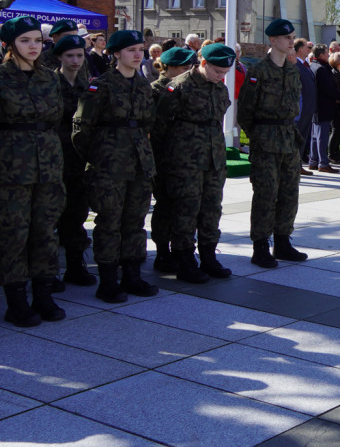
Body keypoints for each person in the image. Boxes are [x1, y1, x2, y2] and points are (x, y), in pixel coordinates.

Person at [73, 29, 159, 303]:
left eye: (141, 49)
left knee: (135, 221)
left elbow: (148, 124)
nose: (137, 55)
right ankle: (108, 280)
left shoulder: (144, 85)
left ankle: (132, 275)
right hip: (109, 166)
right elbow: (81, 130)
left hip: (138, 163)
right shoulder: (101, 86)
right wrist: (99, 157)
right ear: (116, 54)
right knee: (109, 222)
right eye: (131, 50)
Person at [0, 16, 66, 326]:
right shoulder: (1, 78)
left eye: (37, 41)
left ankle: (43, 295)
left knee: (45, 231)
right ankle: (16, 301)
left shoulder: (50, 79)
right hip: (11, 167)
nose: (33, 46)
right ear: (10, 44)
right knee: (14, 233)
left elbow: (56, 119)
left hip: (48, 165)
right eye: (26, 41)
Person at [154, 43, 236, 282]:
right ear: (203, 64)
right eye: (217, 71)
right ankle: (185, 260)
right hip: (184, 162)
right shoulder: (179, 87)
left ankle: (209, 257)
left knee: (212, 209)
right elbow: (160, 128)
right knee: (185, 211)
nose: (221, 77)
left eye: (225, 73)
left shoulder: (219, 89)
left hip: (213, 161)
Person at [236, 19, 307, 268]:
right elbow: (245, 112)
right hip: (266, 140)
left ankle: (283, 241)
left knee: (290, 193)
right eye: (287, 38)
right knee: (266, 194)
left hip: (288, 138)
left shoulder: (291, 70)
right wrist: (259, 136)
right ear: (273, 41)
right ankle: (260, 245)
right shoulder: (258, 71)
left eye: (292, 37)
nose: (291, 42)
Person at [148, 47, 197, 273]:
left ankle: (181, 250)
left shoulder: (186, 88)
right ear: (168, 68)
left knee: (184, 207)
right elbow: (155, 130)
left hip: (185, 159)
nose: (189, 71)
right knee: (165, 205)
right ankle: (162, 252)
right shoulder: (156, 91)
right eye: (185, 68)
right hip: (163, 158)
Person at [52, 34, 95, 288]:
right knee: (50, 216)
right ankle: (48, 271)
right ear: (59, 57)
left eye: (79, 55)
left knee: (77, 213)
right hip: (53, 158)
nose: (76, 60)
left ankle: (75, 265)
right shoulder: (50, 83)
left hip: (78, 158)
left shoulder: (87, 86)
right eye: (70, 56)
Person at [308, 44, 340, 174]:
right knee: (322, 135)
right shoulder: (321, 69)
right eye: (327, 53)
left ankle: (313, 161)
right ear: (321, 55)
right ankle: (323, 163)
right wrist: (338, 96)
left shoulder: (314, 66)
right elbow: (327, 88)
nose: (329, 55)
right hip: (323, 105)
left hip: (316, 106)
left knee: (315, 135)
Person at [293, 38, 316, 175]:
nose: (309, 51)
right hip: (301, 109)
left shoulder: (305, 65)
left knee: (303, 137)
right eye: (307, 48)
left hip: (308, 108)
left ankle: (298, 163)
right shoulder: (296, 65)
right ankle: (295, 165)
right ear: (301, 50)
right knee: (298, 137)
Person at [327, 52, 340, 165]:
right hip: (336, 107)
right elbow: (336, 90)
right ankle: (331, 155)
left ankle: (335, 154)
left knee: (337, 131)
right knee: (335, 131)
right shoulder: (334, 74)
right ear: (338, 61)